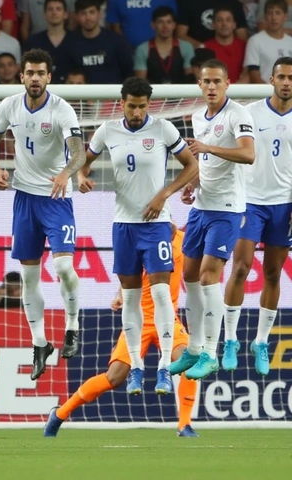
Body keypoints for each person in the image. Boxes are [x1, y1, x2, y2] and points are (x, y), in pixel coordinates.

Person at [79, 76, 198, 394]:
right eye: (131, 106)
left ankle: (163, 369)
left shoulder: (163, 129)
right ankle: (136, 367)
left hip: (157, 224)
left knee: (161, 297)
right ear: (122, 104)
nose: (136, 112)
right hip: (124, 225)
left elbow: (191, 165)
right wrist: (80, 176)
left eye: (142, 106)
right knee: (130, 299)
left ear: (149, 105)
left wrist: (165, 194)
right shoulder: (108, 131)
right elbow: (84, 161)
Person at [0, 48, 87, 380]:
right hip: (24, 199)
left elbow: (79, 154)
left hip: (56, 199)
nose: (35, 78)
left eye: (40, 73)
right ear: (22, 76)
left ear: (48, 77)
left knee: (62, 266)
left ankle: (72, 324)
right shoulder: (9, 105)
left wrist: (66, 173)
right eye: (29, 73)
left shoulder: (62, 110)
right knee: (28, 277)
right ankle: (40, 343)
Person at [43, 224, 199, 438]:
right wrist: (119, 294)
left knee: (189, 362)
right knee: (115, 377)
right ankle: (59, 414)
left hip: (168, 320)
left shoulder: (183, 240)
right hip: (140, 321)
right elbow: (130, 277)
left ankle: (184, 425)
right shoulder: (141, 239)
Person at [170, 59, 255, 380]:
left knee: (208, 276)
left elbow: (248, 154)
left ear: (227, 84)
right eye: (206, 82)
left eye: (216, 81)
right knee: (188, 276)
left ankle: (210, 351)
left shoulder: (238, 114)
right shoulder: (196, 116)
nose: (211, 87)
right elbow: (205, 164)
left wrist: (208, 146)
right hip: (202, 207)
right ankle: (192, 349)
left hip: (228, 208)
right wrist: (192, 186)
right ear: (199, 84)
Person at [221, 57, 292, 375]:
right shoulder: (251, 112)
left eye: (291, 78)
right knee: (241, 267)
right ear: (271, 79)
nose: (287, 83)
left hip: (285, 204)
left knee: (274, 274)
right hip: (250, 202)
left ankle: (261, 341)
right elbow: (230, 149)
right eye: (282, 77)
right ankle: (230, 339)